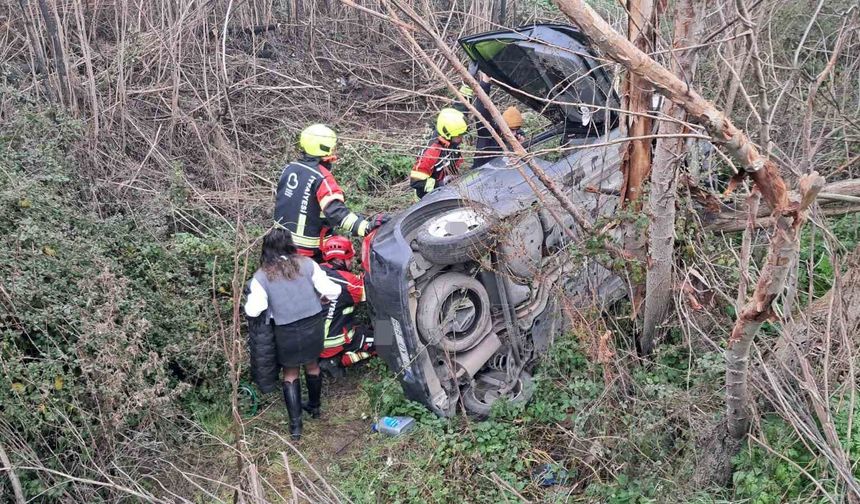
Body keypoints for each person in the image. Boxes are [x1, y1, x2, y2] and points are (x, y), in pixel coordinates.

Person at [244, 227, 341, 440]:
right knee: (313, 364)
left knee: (290, 373)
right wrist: (322, 298)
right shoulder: (307, 264)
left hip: (286, 331)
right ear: (290, 244)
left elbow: (254, 309)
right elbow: (334, 290)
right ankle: (314, 407)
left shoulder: (261, 276)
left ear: (267, 249)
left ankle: (296, 427)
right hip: (314, 325)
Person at [275, 124, 387, 261]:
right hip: (307, 253)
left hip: (278, 245)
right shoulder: (322, 178)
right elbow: (336, 212)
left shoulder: (289, 168)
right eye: (333, 147)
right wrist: (365, 227)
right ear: (324, 148)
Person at [315, 236, 376, 380]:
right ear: (339, 259)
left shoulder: (316, 270)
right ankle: (337, 361)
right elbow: (371, 290)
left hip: (312, 339)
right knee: (387, 338)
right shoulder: (347, 282)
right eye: (349, 258)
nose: (352, 261)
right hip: (332, 341)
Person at [409, 107, 468, 200]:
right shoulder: (431, 153)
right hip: (427, 197)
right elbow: (416, 182)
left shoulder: (450, 144)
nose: (461, 139)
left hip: (446, 189)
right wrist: (440, 184)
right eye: (458, 136)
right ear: (447, 134)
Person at [473, 73, 527, 169]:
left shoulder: (516, 136)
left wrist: (520, 144)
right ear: (503, 126)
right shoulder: (489, 133)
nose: (513, 133)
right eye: (511, 129)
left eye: (516, 129)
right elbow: (482, 111)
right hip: (481, 176)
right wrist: (485, 83)